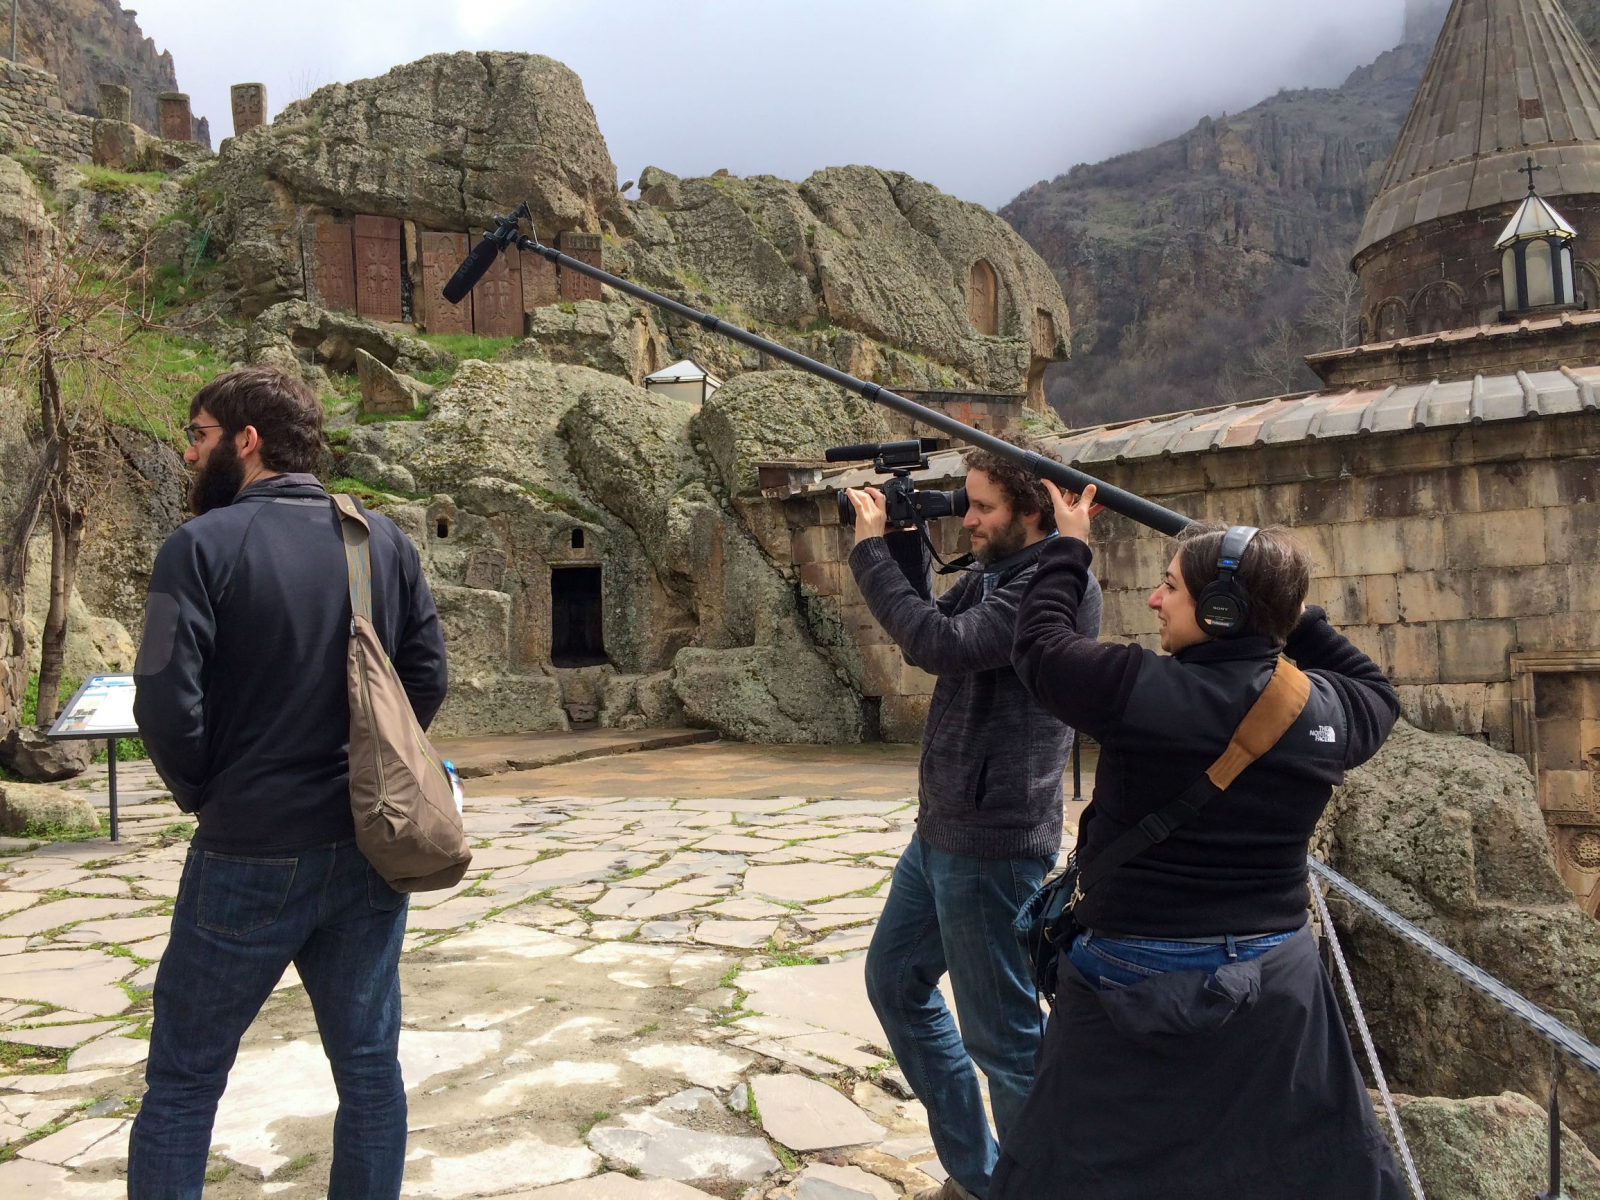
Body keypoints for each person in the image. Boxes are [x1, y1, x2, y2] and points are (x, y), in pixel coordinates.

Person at [992, 481, 1405, 1199]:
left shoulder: (1139, 690)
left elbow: (1039, 646)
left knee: (1071, 1175)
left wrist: (1068, 546)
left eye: (1169, 587)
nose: (1155, 600)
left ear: (1218, 612)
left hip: (1129, 973)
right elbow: (1375, 686)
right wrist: (1282, 609)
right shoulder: (1332, 714)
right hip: (1275, 978)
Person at [127, 367, 448, 1200]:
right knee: (371, 1070)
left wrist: (207, 790)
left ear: (246, 441)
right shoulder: (383, 541)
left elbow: (163, 700)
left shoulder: (198, 548)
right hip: (368, 848)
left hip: (248, 853)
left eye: (198, 436)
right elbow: (427, 678)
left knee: (184, 1084)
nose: (188, 453)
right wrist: (368, 761)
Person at [845, 442, 1102, 1200]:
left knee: (1007, 1041)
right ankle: (982, 1174)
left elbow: (938, 644)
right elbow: (933, 612)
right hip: (944, 831)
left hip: (992, 843)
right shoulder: (1002, 569)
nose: (968, 519)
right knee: (895, 983)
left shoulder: (1055, 585)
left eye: (983, 507)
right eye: (966, 502)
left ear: (1034, 511)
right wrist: (896, 534)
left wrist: (865, 555)